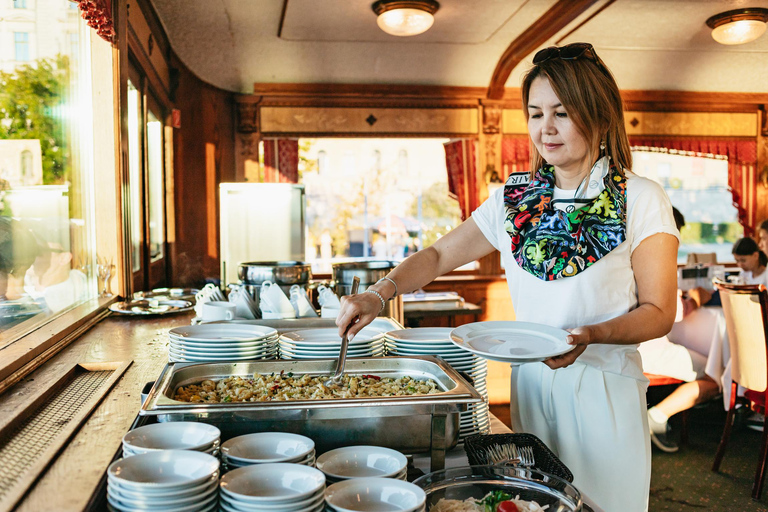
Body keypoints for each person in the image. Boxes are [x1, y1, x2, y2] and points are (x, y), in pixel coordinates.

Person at [336, 42, 679, 512]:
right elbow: (437, 255)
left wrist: (593, 334)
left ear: (598, 116)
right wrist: (379, 293)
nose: (546, 128)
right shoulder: (513, 200)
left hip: (603, 387)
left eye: (562, 112)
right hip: (532, 384)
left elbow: (660, 312)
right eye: (536, 114)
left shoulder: (641, 198)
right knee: (532, 504)